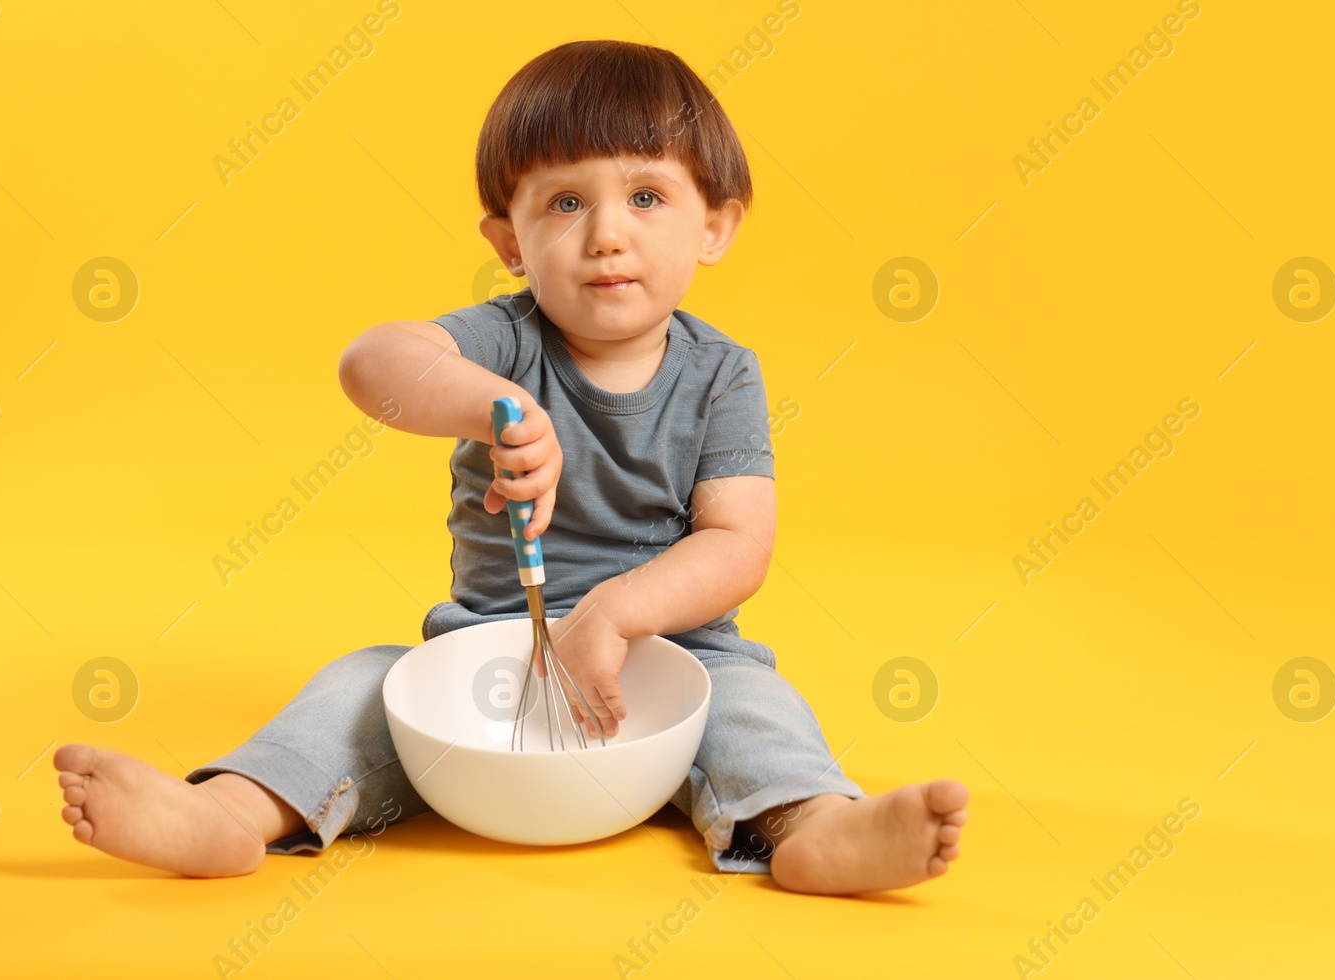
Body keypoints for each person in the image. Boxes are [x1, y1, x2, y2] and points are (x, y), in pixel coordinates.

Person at [53, 38, 966, 895]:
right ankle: (231, 814)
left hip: (672, 659)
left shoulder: (722, 372)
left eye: (647, 197)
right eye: (566, 204)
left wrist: (615, 614)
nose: (607, 233)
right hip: (489, 661)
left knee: (757, 706)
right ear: (510, 243)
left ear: (714, 228)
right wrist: (498, 407)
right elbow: (369, 364)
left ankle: (815, 826)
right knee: (360, 686)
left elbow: (739, 546)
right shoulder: (504, 344)